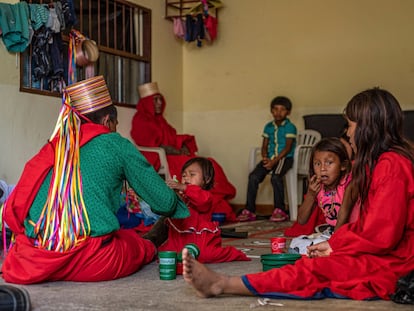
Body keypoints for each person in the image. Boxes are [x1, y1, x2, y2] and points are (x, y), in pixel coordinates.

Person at [180, 87, 414, 301]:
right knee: (318, 262)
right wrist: (335, 243)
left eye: (351, 125)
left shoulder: (391, 165)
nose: (348, 133)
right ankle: (226, 283)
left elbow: (381, 235)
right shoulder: (379, 164)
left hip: (399, 260)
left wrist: (336, 246)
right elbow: (369, 226)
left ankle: (222, 284)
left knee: (317, 270)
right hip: (389, 250)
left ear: (366, 126)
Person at [1, 76, 189, 284]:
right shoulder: (114, 142)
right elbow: (165, 202)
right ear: (107, 121)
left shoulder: (55, 146)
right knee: (136, 244)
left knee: (124, 235)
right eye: (115, 124)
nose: (115, 129)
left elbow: (17, 205)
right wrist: (177, 198)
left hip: (31, 259)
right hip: (91, 261)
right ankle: (150, 246)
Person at [130, 82, 237, 221]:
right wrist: (175, 150)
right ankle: (209, 199)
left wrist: (183, 146)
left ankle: (215, 198)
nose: (159, 103)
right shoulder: (141, 120)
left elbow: (172, 138)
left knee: (209, 162)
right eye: (155, 100)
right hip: (161, 156)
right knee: (195, 165)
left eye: (160, 99)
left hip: (172, 155)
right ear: (146, 103)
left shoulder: (161, 120)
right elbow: (149, 142)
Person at [159, 157, 249, 263]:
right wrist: (172, 193)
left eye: (192, 174)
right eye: (184, 175)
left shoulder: (206, 195)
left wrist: (185, 188)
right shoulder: (182, 194)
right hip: (180, 236)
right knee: (167, 254)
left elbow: (202, 202)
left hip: (200, 238)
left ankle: (231, 253)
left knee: (205, 256)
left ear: (206, 179)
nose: (186, 178)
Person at [288, 137, 357, 254]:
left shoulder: (348, 184)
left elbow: (343, 215)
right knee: (296, 243)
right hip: (330, 233)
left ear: (343, 165)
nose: (322, 169)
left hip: (347, 232)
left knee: (325, 247)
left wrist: (334, 242)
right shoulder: (318, 187)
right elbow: (301, 220)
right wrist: (310, 194)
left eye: (329, 163)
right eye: (317, 164)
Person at [238, 96, 296, 222]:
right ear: (271, 111)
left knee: (276, 177)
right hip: (270, 159)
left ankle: (280, 210)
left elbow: (287, 148)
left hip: (284, 159)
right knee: (253, 177)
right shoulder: (268, 127)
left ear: (288, 112)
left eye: (282, 109)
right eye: (275, 109)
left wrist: (273, 161)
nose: (278, 112)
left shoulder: (290, 127)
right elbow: (264, 145)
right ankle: (249, 210)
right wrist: (265, 158)